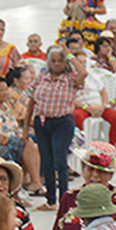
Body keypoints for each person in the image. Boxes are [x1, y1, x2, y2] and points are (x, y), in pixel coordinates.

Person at [23, 46, 87, 211]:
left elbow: (83, 73)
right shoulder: (41, 78)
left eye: (60, 60)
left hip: (63, 123)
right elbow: (31, 103)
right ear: (48, 62)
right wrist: (25, 128)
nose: (57, 64)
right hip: (42, 123)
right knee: (47, 162)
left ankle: (64, 202)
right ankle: (51, 200)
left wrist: (70, 55)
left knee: (60, 161)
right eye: (53, 61)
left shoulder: (70, 78)